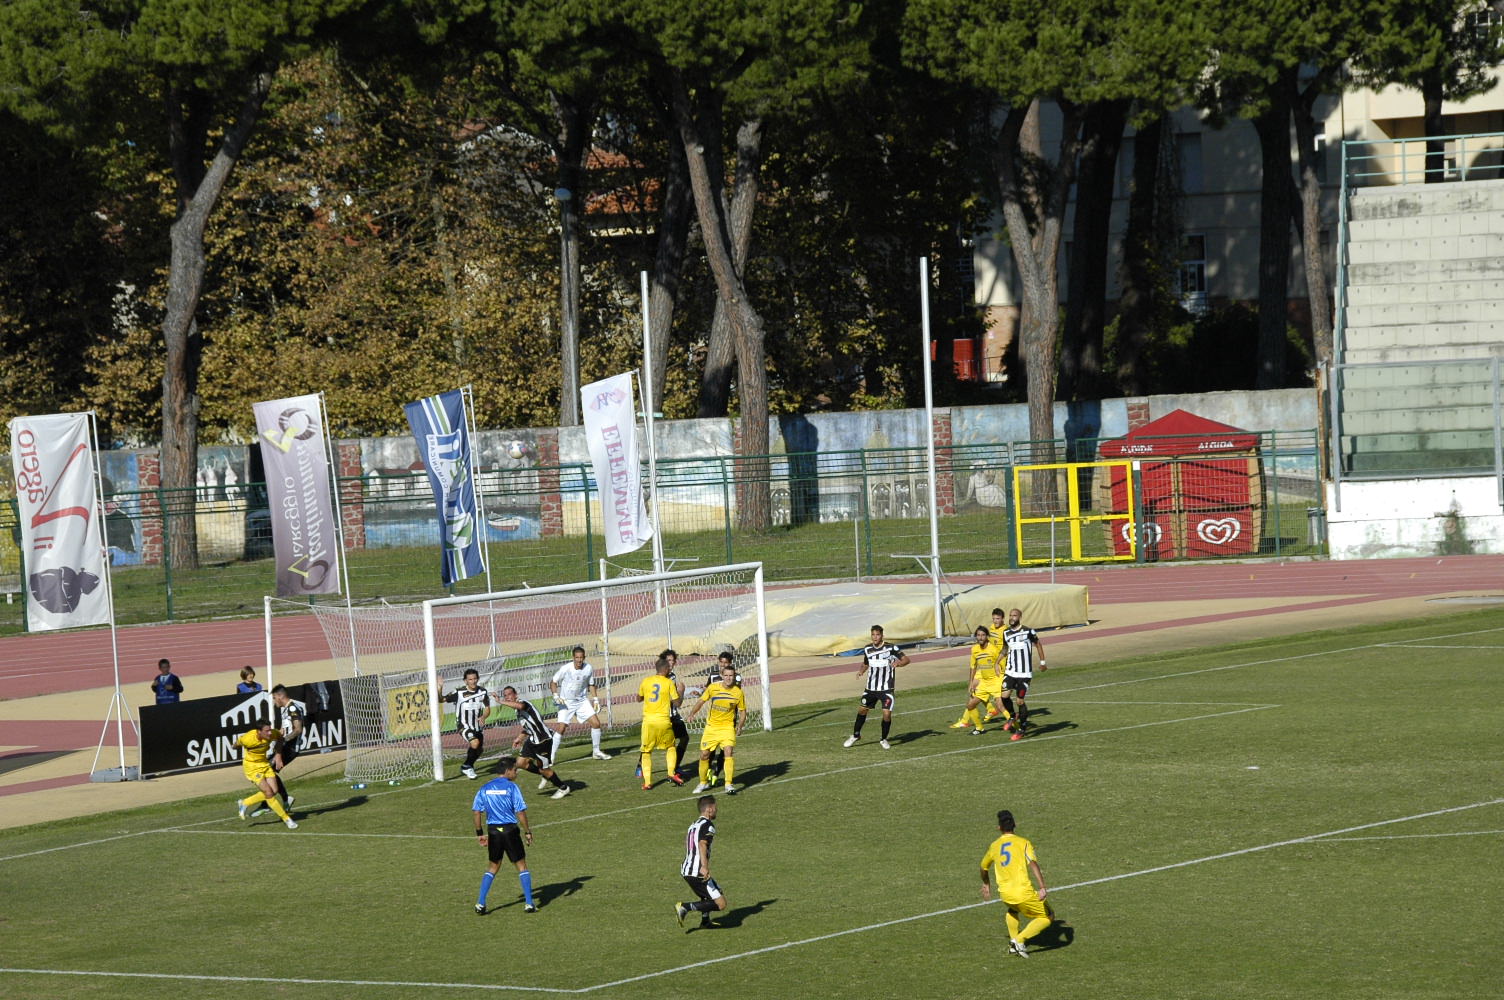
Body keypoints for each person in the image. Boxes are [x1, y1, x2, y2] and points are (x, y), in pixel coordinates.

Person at [979, 809, 1051, 957]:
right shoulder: (1024, 843)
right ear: (1015, 825)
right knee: (1048, 916)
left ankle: (1013, 943)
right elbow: (1033, 864)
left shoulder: (994, 846)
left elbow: (983, 867)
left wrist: (986, 883)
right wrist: (1042, 887)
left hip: (1005, 895)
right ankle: (1019, 941)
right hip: (1022, 893)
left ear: (999, 828)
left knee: (1013, 910)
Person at [471, 756, 537, 914]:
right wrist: (527, 831)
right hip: (509, 830)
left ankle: (480, 903)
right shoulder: (512, 788)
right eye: (515, 770)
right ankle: (529, 902)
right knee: (521, 866)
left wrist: (480, 833)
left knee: (493, 866)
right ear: (507, 771)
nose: (516, 773)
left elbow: (476, 812)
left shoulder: (484, 788)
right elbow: (520, 812)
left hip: (494, 831)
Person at [497, 685, 571, 799]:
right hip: (532, 740)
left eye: (510, 694)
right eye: (505, 696)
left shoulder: (523, 703)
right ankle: (546, 775)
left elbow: (520, 706)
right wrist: (519, 738)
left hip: (543, 740)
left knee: (544, 769)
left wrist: (500, 702)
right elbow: (528, 727)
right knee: (520, 763)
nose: (507, 697)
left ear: (516, 694)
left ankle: (563, 788)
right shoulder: (517, 711)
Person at [842, 625, 909, 749]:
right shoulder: (867, 649)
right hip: (870, 688)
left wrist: (898, 663)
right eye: (873, 635)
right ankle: (856, 735)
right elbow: (866, 663)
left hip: (886, 688)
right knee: (862, 710)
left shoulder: (891, 648)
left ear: (882, 635)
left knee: (886, 714)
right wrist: (861, 670)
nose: (875, 637)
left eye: (877, 635)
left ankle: (883, 739)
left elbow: (906, 660)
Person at [686, 662, 745, 794]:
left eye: (731, 675)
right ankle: (703, 783)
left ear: (734, 676)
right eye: (726, 675)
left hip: (727, 728)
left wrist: (739, 726)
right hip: (711, 728)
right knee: (704, 755)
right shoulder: (713, 688)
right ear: (722, 676)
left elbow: (742, 711)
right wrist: (692, 713)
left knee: (728, 752)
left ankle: (728, 784)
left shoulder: (738, 693)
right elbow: (701, 701)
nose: (729, 678)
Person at [550, 646, 611, 762]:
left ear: (584, 657)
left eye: (581, 658)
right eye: (577, 658)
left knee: (596, 723)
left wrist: (596, 699)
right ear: (573, 658)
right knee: (561, 728)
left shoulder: (588, 668)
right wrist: (555, 695)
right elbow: (553, 682)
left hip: (582, 701)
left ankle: (596, 751)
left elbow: (591, 684)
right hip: (566, 702)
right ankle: (551, 756)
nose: (579, 660)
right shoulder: (566, 668)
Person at [675, 795, 726, 929]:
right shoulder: (708, 825)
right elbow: (702, 844)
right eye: (715, 808)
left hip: (687, 869)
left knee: (706, 895)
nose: (716, 810)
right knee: (720, 904)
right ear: (709, 809)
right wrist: (704, 866)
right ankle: (685, 907)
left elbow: (687, 842)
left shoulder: (693, 825)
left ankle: (705, 921)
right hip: (697, 870)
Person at [252, 684, 303, 817]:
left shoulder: (292, 708)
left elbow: (298, 729)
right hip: (284, 747)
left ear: (281, 696)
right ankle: (285, 800)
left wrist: (284, 740)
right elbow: (286, 728)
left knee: (265, 772)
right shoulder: (285, 709)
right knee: (268, 772)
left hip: (290, 748)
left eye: (275, 698)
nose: (274, 702)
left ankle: (267, 804)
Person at [235, 721, 297, 829]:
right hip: (252, 767)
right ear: (259, 732)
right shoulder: (248, 739)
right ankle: (287, 819)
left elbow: (280, 738)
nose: (269, 733)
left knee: (274, 791)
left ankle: (245, 803)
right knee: (268, 792)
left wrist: (278, 756)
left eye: (270, 730)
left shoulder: (272, 734)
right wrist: (234, 746)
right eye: (266, 731)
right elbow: (237, 743)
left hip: (264, 764)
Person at [951, 626, 1008, 735]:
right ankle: (977, 722)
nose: (996, 620)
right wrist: (970, 683)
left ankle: (1016, 725)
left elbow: (1002, 656)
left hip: (995, 674)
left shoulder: (1002, 633)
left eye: (998, 618)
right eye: (978, 635)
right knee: (973, 697)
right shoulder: (977, 646)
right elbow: (973, 666)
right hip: (983, 672)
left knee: (999, 704)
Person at [637, 656, 684, 789]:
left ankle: (647, 783)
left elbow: (639, 698)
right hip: (663, 721)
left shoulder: (646, 681)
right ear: (667, 669)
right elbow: (678, 703)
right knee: (671, 746)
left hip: (648, 722)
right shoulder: (668, 682)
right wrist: (681, 691)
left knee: (646, 751)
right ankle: (670, 773)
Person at [1001, 608, 1047, 740]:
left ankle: (1022, 728)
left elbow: (1038, 644)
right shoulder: (1006, 633)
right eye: (1010, 615)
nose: (1012, 617)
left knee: (1020, 701)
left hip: (1024, 673)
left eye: (1014, 615)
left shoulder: (1028, 631)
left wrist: (1043, 662)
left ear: (1020, 617)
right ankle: (1011, 715)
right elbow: (1005, 648)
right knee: (1004, 696)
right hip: (1010, 671)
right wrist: (998, 662)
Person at [440, 668, 492, 779]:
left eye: (474, 679)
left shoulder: (482, 691)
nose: (473, 681)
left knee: (479, 749)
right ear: (465, 681)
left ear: (478, 679)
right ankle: (467, 767)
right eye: (470, 679)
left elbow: (487, 708)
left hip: (477, 726)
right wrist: (439, 688)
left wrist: (483, 716)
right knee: (475, 743)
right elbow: (441, 699)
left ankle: (467, 766)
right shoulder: (459, 692)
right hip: (463, 725)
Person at [704, 651, 741, 785]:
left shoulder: (735, 678)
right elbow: (707, 689)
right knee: (710, 748)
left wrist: (738, 722)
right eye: (721, 662)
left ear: (730, 664)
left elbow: (736, 696)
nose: (723, 665)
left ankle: (716, 772)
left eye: (726, 663)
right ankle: (708, 768)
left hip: (729, 718)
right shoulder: (713, 675)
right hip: (714, 719)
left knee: (725, 749)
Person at [660, 649, 691, 780]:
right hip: (663, 716)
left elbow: (676, 701)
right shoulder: (661, 678)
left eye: (673, 660)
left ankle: (675, 767)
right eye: (668, 660)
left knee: (684, 738)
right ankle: (641, 765)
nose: (671, 663)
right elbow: (674, 701)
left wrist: (681, 692)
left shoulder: (672, 676)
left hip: (674, 715)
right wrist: (681, 692)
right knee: (655, 743)